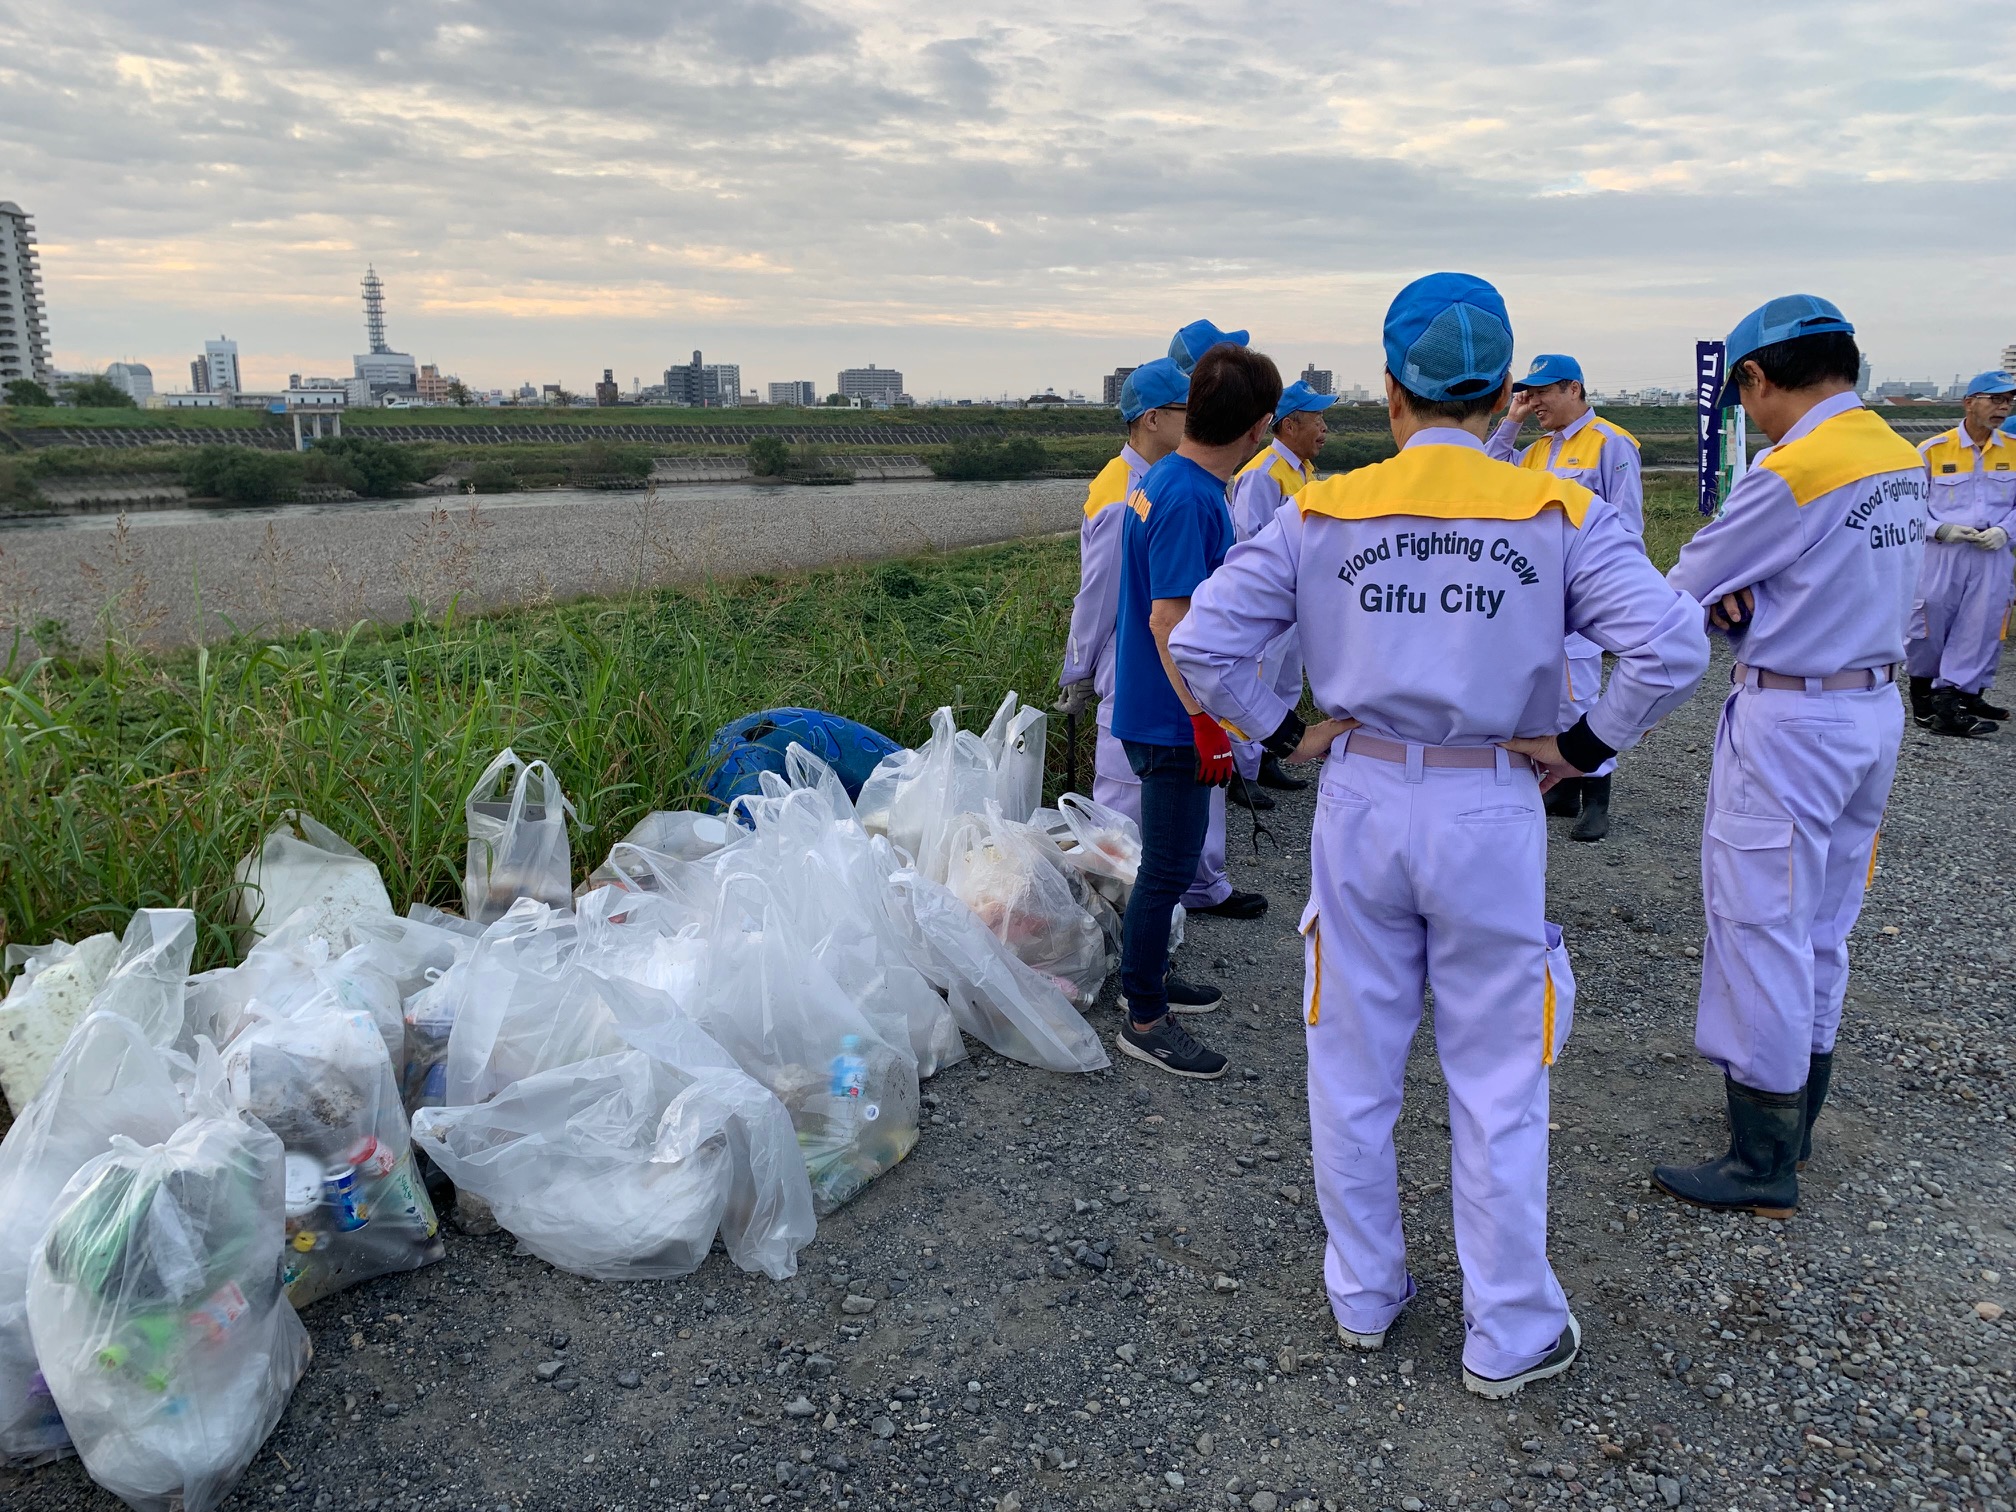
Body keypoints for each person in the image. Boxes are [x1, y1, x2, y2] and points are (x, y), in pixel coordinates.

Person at [1170, 273, 1708, 1396]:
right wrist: (1585, 744)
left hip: (1362, 794)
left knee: (1352, 1062)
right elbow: (1671, 649)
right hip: (1488, 800)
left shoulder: (1325, 508)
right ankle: (1508, 1329)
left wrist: (1281, 733)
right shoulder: (1556, 512)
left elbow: (1208, 639)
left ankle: (1364, 1294)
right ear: (1506, 393)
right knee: (1498, 1074)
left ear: (1389, 389)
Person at [1654, 295, 1927, 1217]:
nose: (1752, 416)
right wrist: (1754, 600)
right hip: (1873, 708)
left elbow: (1682, 585)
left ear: (1762, 379)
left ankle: (1760, 1158)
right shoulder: (1897, 453)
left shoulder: (1794, 468)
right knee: (1822, 921)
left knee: (1758, 922)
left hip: (1795, 722)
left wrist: (1726, 599)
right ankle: (1797, 1118)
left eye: (1750, 397)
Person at [1110, 341, 1284, 1078]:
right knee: (1168, 868)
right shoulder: (1189, 498)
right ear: (1262, 427)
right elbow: (1167, 622)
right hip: (1172, 717)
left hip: (1158, 707)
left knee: (1166, 864)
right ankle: (1144, 1013)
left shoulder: (1166, 478)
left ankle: (1146, 980)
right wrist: (1205, 719)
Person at [1485, 354, 1644, 841]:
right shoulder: (1535, 452)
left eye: (1543, 393)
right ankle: (1563, 788)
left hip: (1581, 591)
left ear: (1574, 389)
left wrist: (1614, 591)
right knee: (1546, 694)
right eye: (1527, 394)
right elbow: (1489, 474)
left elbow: (1627, 522)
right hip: (1538, 591)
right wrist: (1508, 425)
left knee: (1579, 694)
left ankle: (1598, 796)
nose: (1533, 403)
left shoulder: (1611, 444)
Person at [1058, 358, 1192, 815]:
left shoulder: (1161, 477)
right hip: (1128, 660)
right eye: (1185, 410)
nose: (1195, 421)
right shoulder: (1123, 494)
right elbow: (1098, 598)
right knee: (1124, 809)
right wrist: (1079, 671)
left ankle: (1202, 888)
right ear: (1153, 419)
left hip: (1161, 655)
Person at [1224, 379, 1337, 798]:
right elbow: (1249, 541)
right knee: (1259, 681)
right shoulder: (1262, 474)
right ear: (1289, 425)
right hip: (1268, 603)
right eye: (1318, 420)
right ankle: (1241, 772)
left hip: (1299, 599)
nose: (1324, 429)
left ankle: (1270, 759)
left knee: (1287, 683)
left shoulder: (1302, 471)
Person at [1903, 370, 2016, 737]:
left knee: (1981, 624)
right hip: (1942, 552)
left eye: (2008, 400)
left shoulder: (2013, 449)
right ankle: (1923, 698)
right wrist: (1941, 529)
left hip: (1992, 553)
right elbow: (1908, 508)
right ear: (1969, 403)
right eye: (1994, 398)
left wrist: (2005, 531)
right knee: (1929, 621)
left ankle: (1953, 699)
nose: (2003, 406)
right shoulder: (1934, 450)